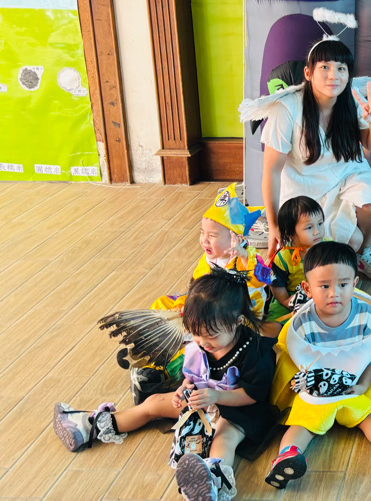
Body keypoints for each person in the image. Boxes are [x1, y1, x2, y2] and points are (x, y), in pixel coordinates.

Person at [54, 269, 279, 501]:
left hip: (239, 409)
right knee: (153, 402)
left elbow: (253, 394)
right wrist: (182, 389)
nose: (202, 342)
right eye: (196, 334)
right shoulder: (200, 345)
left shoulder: (255, 351)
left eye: (211, 336)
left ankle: (212, 482)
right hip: (202, 400)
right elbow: (192, 376)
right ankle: (89, 427)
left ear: (237, 322)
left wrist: (216, 397)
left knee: (224, 438)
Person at [243, 35, 371, 282]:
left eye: (341, 68)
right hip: (303, 188)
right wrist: (274, 225)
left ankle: (364, 253)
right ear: (308, 73)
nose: (334, 75)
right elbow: (271, 171)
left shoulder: (352, 99)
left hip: (346, 175)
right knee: (348, 241)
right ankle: (350, 248)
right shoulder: (287, 108)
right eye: (325, 67)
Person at [267, 241, 371, 487]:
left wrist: (363, 385)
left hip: (354, 382)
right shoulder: (301, 325)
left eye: (343, 284)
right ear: (307, 288)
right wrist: (307, 386)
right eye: (324, 286)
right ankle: (288, 455)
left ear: (355, 283)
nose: (334, 293)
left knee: (370, 413)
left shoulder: (365, 316)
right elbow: (293, 359)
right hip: (316, 388)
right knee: (302, 422)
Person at [151, 183, 271, 324]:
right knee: (161, 303)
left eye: (212, 236)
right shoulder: (208, 258)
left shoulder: (248, 255)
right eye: (202, 233)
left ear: (237, 239)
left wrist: (244, 256)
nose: (204, 240)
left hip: (235, 311)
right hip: (207, 303)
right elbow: (198, 284)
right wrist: (187, 304)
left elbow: (263, 279)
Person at [266, 196, 325, 321]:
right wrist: (286, 301)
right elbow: (276, 285)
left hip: (322, 294)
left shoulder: (329, 248)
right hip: (291, 296)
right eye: (309, 227)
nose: (317, 231)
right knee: (275, 323)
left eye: (320, 224)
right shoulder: (283, 257)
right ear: (290, 234)